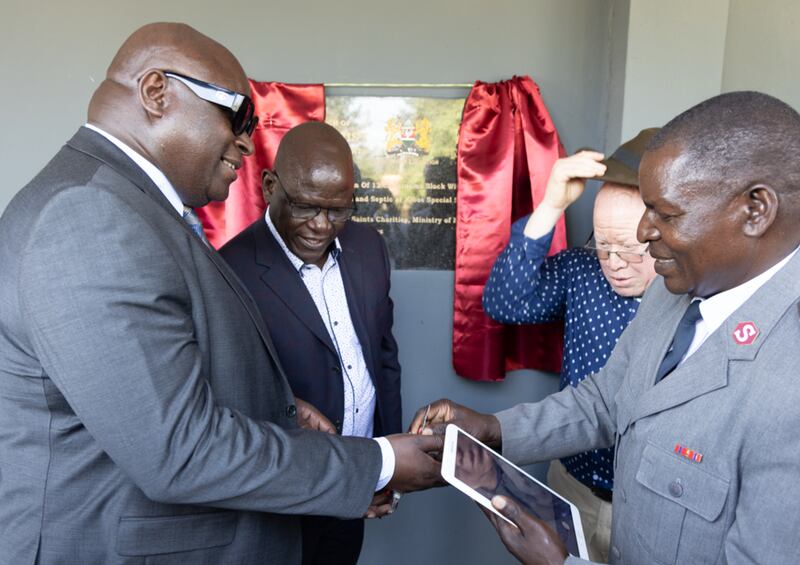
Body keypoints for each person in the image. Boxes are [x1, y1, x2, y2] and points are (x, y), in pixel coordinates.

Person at [0, 23, 443, 565]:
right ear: (156, 93)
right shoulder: (88, 216)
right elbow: (178, 449)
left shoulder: (132, 209)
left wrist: (277, 409)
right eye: (236, 116)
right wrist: (376, 463)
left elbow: (146, 391)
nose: (247, 141)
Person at [412, 91, 800, 564]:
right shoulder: (672, 293)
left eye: (667, 215)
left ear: (755, 210)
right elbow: (605, 401)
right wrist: (493, 428)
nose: (642, 234)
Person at [220, 121, 402, 565]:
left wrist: (390, 459)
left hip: (358, 485)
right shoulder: (230, 271)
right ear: (269, 186)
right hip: (279, 503)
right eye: (305, 207)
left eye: (338, 210)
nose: (322, 226)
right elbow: (222, 400)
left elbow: (382, 357)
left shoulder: (368, 247)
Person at [482, 130, 658, 562]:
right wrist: (551, 206)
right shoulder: (582, 271)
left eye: (632, 250)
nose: (615, 263)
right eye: (603, 244)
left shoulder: (697, 300)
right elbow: (504, 302)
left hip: (649, 506)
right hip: (572, 484)